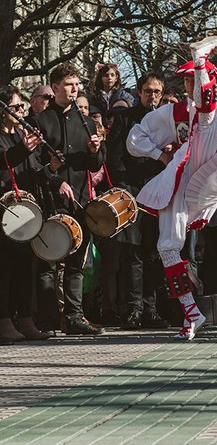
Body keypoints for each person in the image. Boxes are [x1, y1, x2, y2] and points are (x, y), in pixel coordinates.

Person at [131, 37, 217, 339]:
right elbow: (136, 138)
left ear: (213, 79)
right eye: (187, 79)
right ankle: (192, 313)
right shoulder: (173, 113)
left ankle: (200, 55)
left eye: (195, 78)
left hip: (208, 168)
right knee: (167, 247)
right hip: (181, 178)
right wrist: (160, 154)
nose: (189, 85)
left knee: (207, 121)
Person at [31, 62, 105, 336]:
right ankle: (49, 318)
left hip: (80, 200)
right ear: (55, 87)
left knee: (76, 261)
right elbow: (34, 164)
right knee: (48, 261)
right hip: (50, 201)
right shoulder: (40, 121)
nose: (74, 90)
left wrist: (96, 151)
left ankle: (74, 317)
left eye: (77, 84)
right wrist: (55, 180)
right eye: (69, 84)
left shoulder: (85, 122)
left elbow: (94, 163)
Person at [105, 71, 168, 329]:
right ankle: (134, 309)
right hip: (131, 192)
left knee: (153, 252)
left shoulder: (167, 122)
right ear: (138, 92)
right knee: (132, 253)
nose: (151, 96)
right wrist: (124, 190)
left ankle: (151, 308)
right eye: (147, 91)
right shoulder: (124, 119)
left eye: (156, 92)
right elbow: (114, 157)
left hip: (158, 191)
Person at [0, 85, 51, 342]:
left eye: (22, 106)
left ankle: (26, 318)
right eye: (17, 107)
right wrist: (23, 148)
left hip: (24, 209)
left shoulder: (22, 132)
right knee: (4, 266)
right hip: (3, 210)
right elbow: (4, 160)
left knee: (25, 266)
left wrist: (52, 167)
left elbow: (33, 168)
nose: (22, 111)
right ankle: (4, 320)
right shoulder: (5, 137)